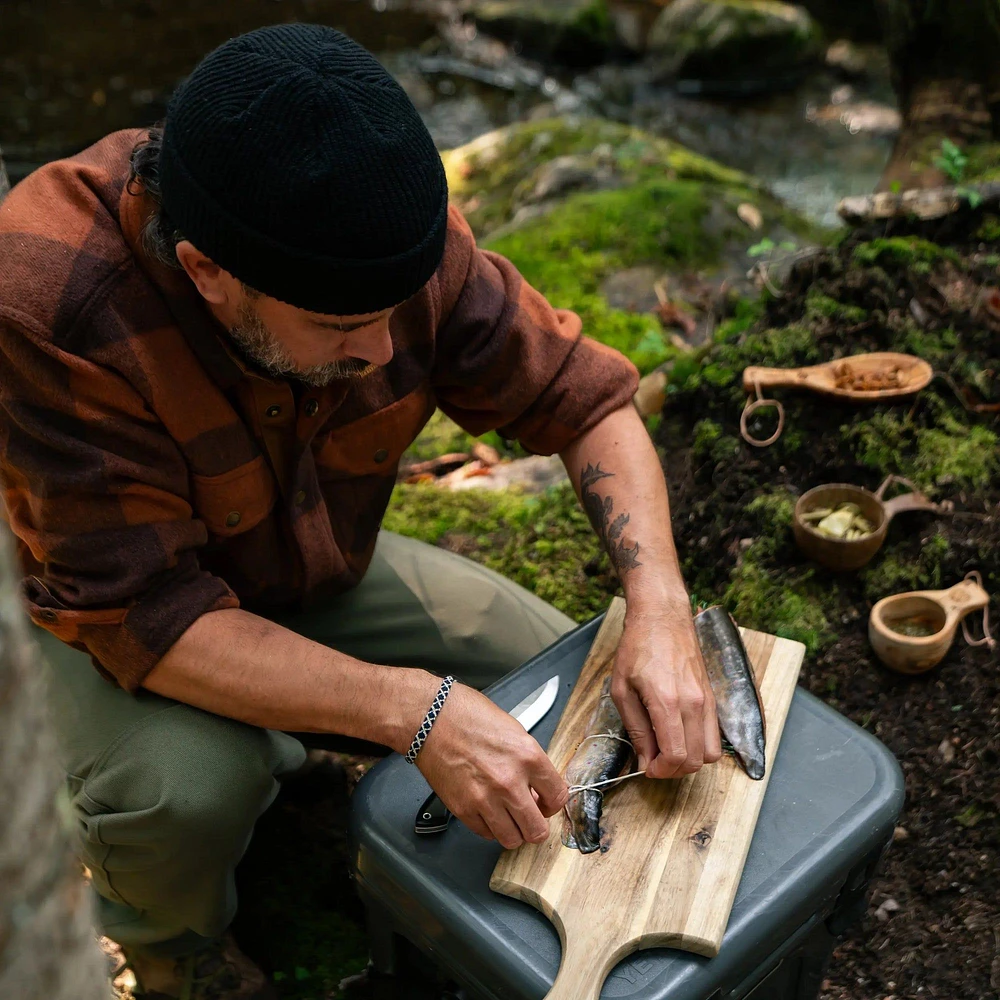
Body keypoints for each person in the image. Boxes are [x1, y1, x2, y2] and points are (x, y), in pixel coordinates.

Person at [0, 23, 720, 1000]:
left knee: (568, 679)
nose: (383, 352)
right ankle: (179, 952)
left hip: (302, 557)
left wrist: (658, 602)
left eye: (396, 309)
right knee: (183, 792)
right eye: (342, 327)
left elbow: (585, 400)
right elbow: (145, 616)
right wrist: (411, 711)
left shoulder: (380, 231)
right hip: (109, 610)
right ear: (209, 272)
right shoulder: (47, 303)